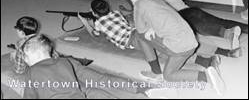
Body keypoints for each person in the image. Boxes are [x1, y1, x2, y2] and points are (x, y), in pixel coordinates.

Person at [126, 0, 226, 95]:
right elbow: (167, 16)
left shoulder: (138, 5)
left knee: (167, 73)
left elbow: (141, 30)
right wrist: (153, 27)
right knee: (170, 52)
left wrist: (147, 29)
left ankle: (204, 77)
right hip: (191, 41)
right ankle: (208, 61)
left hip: (178, 46)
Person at [21, 34, 166, 99]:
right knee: (98, 85)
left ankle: (143, 90)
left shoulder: (32, 71)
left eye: (24, 57)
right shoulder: (64, 62)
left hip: (76, 84)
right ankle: (144, 89)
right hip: (77, 88)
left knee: (95, 86)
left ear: (31, 55)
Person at [156, 0, 248, 57]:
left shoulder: (160, 1)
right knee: (221, 21)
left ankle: (228, 34)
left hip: (185, 16)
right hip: (193, 10)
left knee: (206, 29)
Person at [78, 0, 163, 79]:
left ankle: (156, 72)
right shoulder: (116, 13)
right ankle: (159, 51)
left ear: (95, 14)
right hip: (133, 32)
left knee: (145, 41)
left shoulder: (98, 23)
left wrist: (85, 22)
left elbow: (94, 35)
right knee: (148, 36)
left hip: (128, 40)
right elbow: (124, 24)